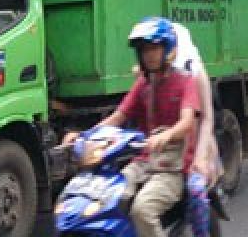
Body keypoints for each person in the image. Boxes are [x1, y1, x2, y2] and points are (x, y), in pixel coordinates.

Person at [63, 17, 199, 237]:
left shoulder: (185, 82)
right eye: (145, 50)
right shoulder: (143, 85)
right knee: (109, 199)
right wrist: (84, 135)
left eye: (155, 48)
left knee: (142, 210)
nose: (150, 55)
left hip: (172, 167)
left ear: (168, 49)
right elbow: (118, 117)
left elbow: (187, 122)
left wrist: (168, 135)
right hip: (142, 161)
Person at [171, 22, 220, 237]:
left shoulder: (197, 77)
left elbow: (206, 119)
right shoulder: (150, 77)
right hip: (163, 153)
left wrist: (200, 159)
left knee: (197, 193)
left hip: (197, 145)